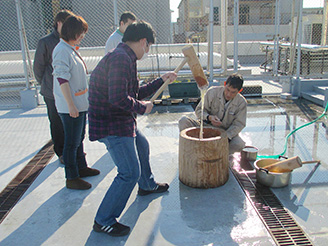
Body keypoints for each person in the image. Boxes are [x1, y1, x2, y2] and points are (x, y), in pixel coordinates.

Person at [88, 21, 177, 237]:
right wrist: (140, 108)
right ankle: (104, 220)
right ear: (143, 42)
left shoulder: (125, 56)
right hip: (112, 124)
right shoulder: (121, 59)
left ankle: (146, 185)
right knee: (129, 172)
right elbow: (119, 98)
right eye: (148, 47)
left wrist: (161, 81)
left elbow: (134, 93)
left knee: (142, 144)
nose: (147, 52)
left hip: (120, 120)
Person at [52, 15, 100, 190]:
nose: (82, 36)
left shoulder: (69, 48)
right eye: (80, 33)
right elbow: (62, 79)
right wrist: (71, 105)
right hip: (71, 106)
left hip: (79, 104)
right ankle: (71, 177)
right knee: (71, 142)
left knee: (79, 138)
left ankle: (81, 167)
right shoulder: (61, 50)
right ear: (71, 31)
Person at [33, 9, 74, 164]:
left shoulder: (70, 40)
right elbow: (38, 68)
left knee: (71, 122)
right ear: (58, 23)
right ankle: (61, 152)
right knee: (56, 122)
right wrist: (45, 84)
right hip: (51, 91)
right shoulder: (46, 42)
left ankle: (73, 150)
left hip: (68, 91)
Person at [179, 73, 247, 154]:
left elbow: (239, 124)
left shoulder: (241, 103)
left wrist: (226, 136)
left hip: (225, 132)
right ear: (225, 84)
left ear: (240, 91)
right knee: (183, 121)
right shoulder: (212, 92)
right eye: (227, 89)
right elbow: (199, 110)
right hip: (205, 127)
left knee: (239, 144)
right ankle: (192, 151)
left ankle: (220, 155)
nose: (229, 94)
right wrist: (208, 117)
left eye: (233, 92)